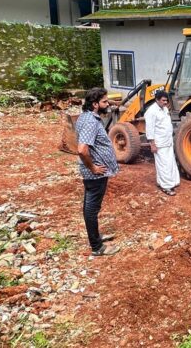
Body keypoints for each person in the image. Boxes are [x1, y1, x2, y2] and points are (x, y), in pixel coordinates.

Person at [76, 88, 120, 256]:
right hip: (95, 172)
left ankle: (96, 238)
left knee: (91, 206)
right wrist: (93, 167)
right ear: (95, 104)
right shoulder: (90, 121)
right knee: (91, 207)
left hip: (96, 171)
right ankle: (97, 247)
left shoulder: (89, 117)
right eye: (104, 102)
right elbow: (82, 149)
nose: (107, 104)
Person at [145, 90, 180, 195]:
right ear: (157, 100)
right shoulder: (151, 112)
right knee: (163, 165)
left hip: (168, 141)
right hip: (159, 143)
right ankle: (166, 187)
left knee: (169, 163)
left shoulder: (164, 109)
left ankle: (167, 182)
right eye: (163, 100)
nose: (165, 102)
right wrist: (152, 144)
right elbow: (150, 129)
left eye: (166, 100)